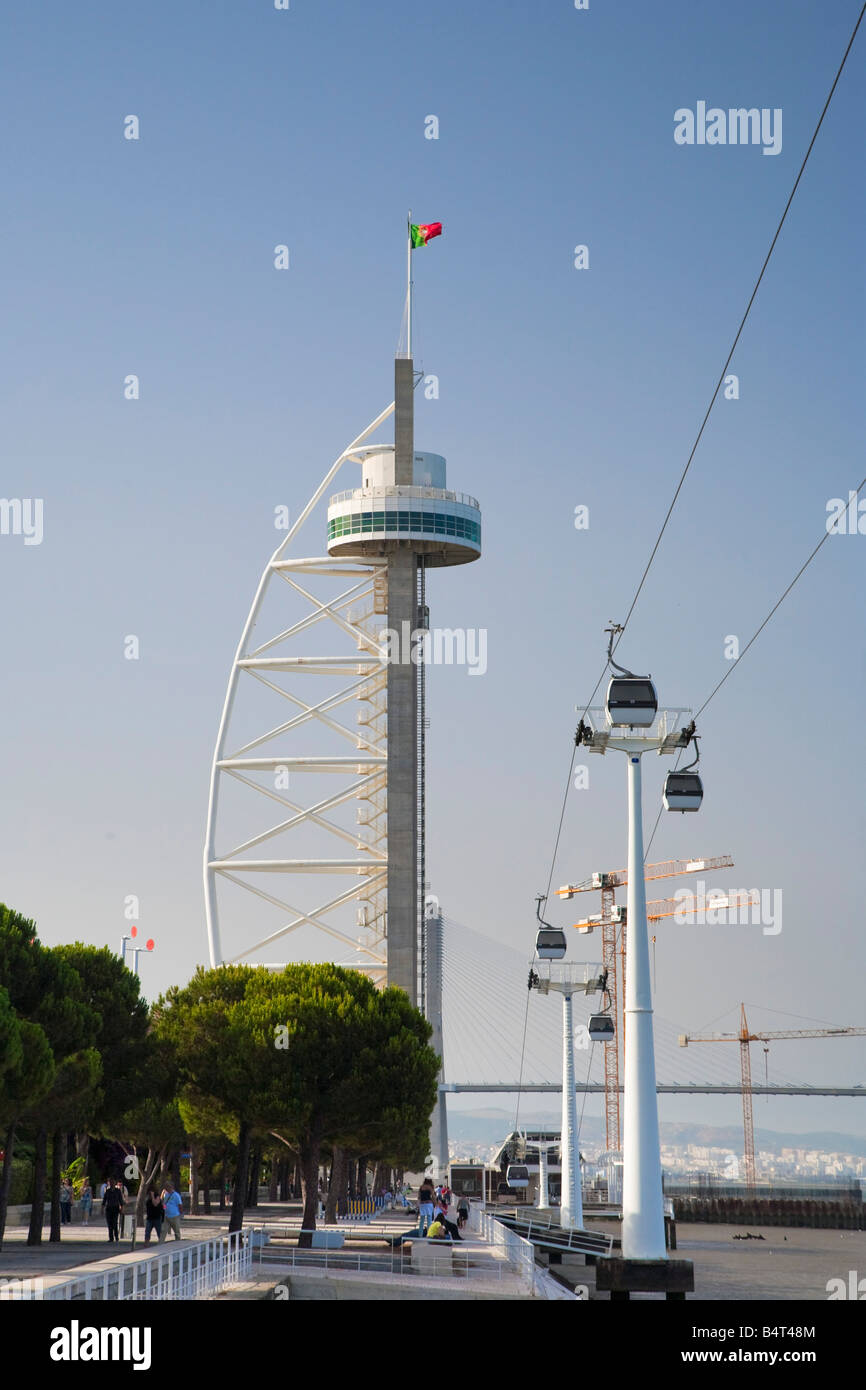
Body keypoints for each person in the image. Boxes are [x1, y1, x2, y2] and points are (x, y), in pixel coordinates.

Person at [102, 1178, 124, 1243]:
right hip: (108, 1209)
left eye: (113, 1183)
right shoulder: (107, 1191)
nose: (112, 1184)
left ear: (115, 1183)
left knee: (115, 1223)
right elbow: (104, 1200)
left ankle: (116, 1237)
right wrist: (102, 1209)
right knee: (109, 1224)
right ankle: (111, 1238)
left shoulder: (118, 1191)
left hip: (115, 1209)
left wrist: (121, 1209)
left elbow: (121, 1201)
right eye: (111, 1183)